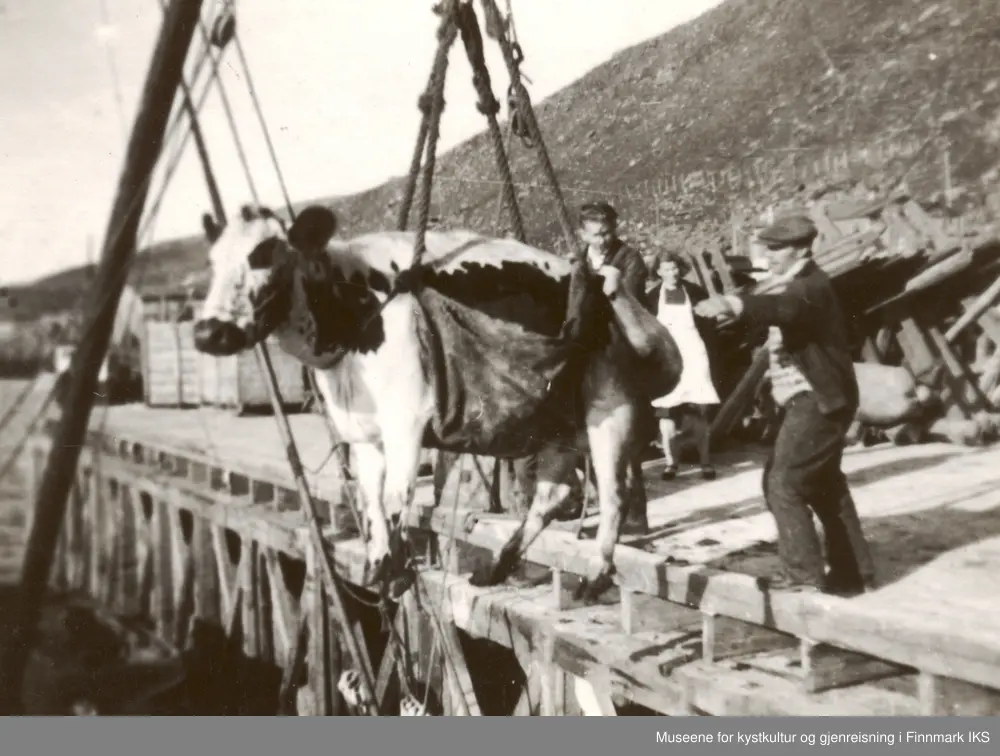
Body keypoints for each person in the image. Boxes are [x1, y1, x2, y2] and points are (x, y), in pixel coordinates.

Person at [693, 214, 876, 596]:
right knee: (824, 483)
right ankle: (854, 573)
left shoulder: (810, 286)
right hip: (820, 396)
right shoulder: (797, 281)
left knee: (783, 483)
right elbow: (775, 304)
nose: (769, 255)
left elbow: (786, 309)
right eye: (767, 247)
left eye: (777, 249)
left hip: (818, 399)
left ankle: (804, 577)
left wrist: (732, 303)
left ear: (803, 249)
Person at [576, 200, 651, 534]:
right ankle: (609, 512)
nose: (603, 240)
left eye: (607, 232)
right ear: (583, 233)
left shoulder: (630, 258)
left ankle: (634, 518)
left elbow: (628, 299)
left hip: (623, 351)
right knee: (596, 438)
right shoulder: (578, 259)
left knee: (625, 442)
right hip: (591, 353)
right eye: (595, 234)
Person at [646, 250, 720, 481]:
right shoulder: (652, 297)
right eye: (666, 269)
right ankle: (671, 463)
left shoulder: (695, 291)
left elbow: (710, 322)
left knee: (698, 412)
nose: (672, 273)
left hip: (693, 353)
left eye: (675, 268)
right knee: (666, 413)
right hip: (666, 357)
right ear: (658, 272)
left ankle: (706, 462)